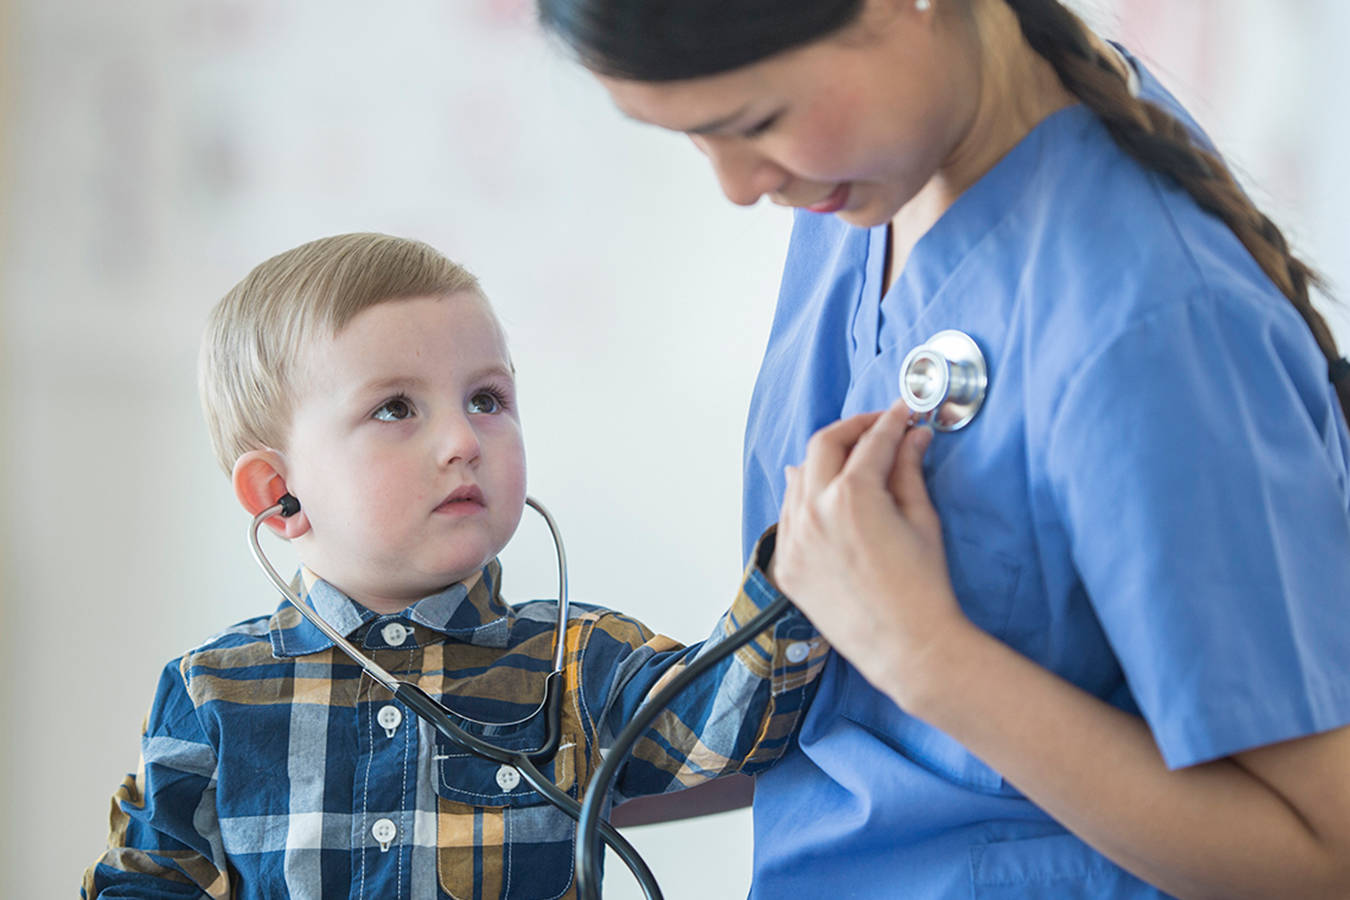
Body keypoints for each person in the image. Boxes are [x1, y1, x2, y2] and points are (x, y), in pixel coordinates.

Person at [536, 0, 1350, 896]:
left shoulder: (1154, 320)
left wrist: (930, 659)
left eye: (754, 121)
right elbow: (842, 731)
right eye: (693, 136)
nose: (736, 185)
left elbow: (1320, 853)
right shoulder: (863, 186)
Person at [81, 232, 824, 899]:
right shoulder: (208, 695)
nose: (464, 440)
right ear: (280, 495)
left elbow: (729, 720)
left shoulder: (583, 660)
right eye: (397, 409)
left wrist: (810, 563)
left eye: (487, 399)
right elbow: (143, 887)